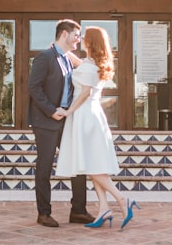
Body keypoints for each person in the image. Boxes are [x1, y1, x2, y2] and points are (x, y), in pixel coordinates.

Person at [55, 26, 138, 230]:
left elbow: (84, 93)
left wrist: (68, 111)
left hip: (84, 116)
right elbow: (79, 64)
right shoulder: (93, 64)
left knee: (92, 166)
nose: (81, 39)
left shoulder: (89, 68)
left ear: (90, 42)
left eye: (84, 37)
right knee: (92, 164)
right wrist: (63, 50)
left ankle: (122, 199)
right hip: (91, 115)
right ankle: (103, 209)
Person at [27, 19, 92, 228]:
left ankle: (79, 211)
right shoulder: (45, 58)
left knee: (77, 163)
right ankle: (44, 213)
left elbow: (87, 72)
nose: (78, 40)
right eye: (76, 35)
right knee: (44, 166)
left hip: (66, 120)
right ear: (64, 34)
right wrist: (51, 110)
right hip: (46, 122)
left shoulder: (67, 59)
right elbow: (34, 87)